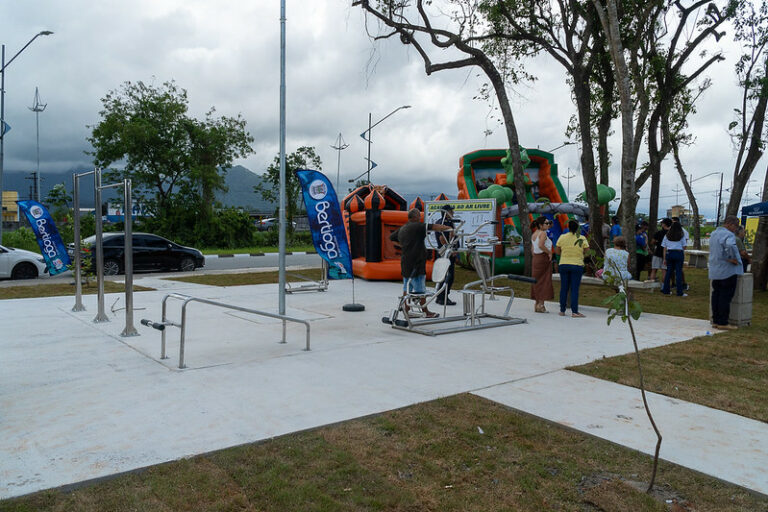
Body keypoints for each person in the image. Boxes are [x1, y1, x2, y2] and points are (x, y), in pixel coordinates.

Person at [390, 208, 452, 318]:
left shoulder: (403, 228)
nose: (420, 218)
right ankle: (426, 312)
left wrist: (403, 246)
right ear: (415, 217)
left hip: (406, 262)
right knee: (420, 290)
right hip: (416, 263)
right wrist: (449, 228)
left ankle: (407, 310)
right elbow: (435, 227)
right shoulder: (417, 226)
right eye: (419, 216)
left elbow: (392, 237)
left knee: (407, 288)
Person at [708, 216, 744, 330]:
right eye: (735, 226)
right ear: (729, 224)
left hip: (715, 269)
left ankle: (715, 320)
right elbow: (730, 246)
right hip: (727, 270)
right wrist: (732, 258)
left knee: (716, 295)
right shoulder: (728, 235)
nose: (736, 229)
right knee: (725, 296)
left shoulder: (714, 234)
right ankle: (723, 322)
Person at [555, 219, 589, 317]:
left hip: (564, 264)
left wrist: (565, 254)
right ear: (578, 228)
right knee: (574, 289)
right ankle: (574, 311)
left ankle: (562, 310)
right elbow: (587, 251)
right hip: (577, 264)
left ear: (568, 227)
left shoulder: (562, 237)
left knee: (564, 288)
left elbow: (557, 251)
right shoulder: (582, 238)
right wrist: (580, 254)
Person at [434, 204, 457, 305]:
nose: (453, 213)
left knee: (446, 275)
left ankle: (441, 296)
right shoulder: (442, 223)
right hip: (445, 252)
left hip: (449, 251)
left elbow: (454, 237)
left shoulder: (449, 222)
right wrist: (450, 249)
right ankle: (442, 298)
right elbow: (441, 239)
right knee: (448, 276)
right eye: (451, 211)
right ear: (446, 212)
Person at [530, 216, 554, 313]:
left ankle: (537, 303)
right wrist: (549, 252)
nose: (548, 225)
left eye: (548, 223)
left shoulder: (534, 234)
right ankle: (541, 305)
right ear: (541, 225)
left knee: (536, 281)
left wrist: (536, 256)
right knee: (544, 281)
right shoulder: (543, 233)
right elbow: (540, 245)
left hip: (536, 258)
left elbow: (532, 248)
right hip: (543, 257)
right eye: (546, 223)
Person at [661, 220, 688, 297]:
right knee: (678, 272)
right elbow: (684, 246)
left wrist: (664, 259)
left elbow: (664, 248)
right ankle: (679, 292)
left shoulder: (667, 235)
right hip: (678, 253)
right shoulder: (681, 235)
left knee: (669, 272)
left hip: (669, 253)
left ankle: (666, 290)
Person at [648, 218, 671, 282]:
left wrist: (657, 243)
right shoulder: (671, 233)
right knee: (664, 271)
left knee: (654, 270)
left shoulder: (659, 233)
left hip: (657, 253)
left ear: (664, 224)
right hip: (666, 254)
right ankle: (663, 286)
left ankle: (651, 285)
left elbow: (652, 242)